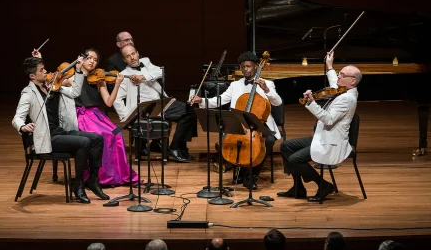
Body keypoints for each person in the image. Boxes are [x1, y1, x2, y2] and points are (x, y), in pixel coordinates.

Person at [12, 52, 105, 204]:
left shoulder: (52, 86)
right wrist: (23, 127)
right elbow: (17, 117)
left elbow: (75, 92)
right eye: (42, 70)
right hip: (48, 138)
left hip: (60, 132)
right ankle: (78, 184)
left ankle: (93, 180)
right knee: (84, 143)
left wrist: (79, 71)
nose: (46, 72)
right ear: (32, 76)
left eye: (44, 69)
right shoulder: (28, 93)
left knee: (97, 138)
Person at [277, 51, 362, 202]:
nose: (338, 77)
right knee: (286, 146)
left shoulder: (347, 99)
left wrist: (311, 102)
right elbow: (334, 83)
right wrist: (329, 65)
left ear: (353, 81)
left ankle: (323, 185)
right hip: (323, 137)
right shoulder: (343, 90)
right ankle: (298, 188)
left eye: (342, 75)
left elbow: (328, 119)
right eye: (338, 74)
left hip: (332, 143)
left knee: (295, 159)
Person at [190, 51, 282, 189]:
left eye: (248, 66)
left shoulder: (267, 84)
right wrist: (201, 100)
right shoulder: (235, 85)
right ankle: (240, 169)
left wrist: (266, 90)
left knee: (267, 141)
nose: (245, 69)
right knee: (228, 138)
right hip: (240, 124)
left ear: (256, 66)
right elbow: (219, 100)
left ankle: (252, 175)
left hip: (260, 124)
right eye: (243, 66)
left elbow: (277, 102)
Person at [60, 48, 138, 188]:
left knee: (116, 133)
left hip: (96, 115)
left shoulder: (98, 79)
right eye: (89, 58)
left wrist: (118, 84)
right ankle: (98, 176)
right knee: (101, 135)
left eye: (95, 60)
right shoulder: (72, 78)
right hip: (81, 116)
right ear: (81, 58)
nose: (92, 62)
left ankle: (115, 175)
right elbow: (55, 82)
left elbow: (108, 102)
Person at [112, 45, 198, 162]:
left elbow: (160, 71)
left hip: (161, 102)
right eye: (128, 56)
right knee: (189, 113)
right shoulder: (124, 75)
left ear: (137, 53)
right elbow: (117, 99)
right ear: (124, 60)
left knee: (191, 110)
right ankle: (175, 148)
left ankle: (177, 146)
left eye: (133, 54)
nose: (132, 58)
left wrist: (143, 76)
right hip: (146, 108)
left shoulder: (145, 62)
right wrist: (128, 118)